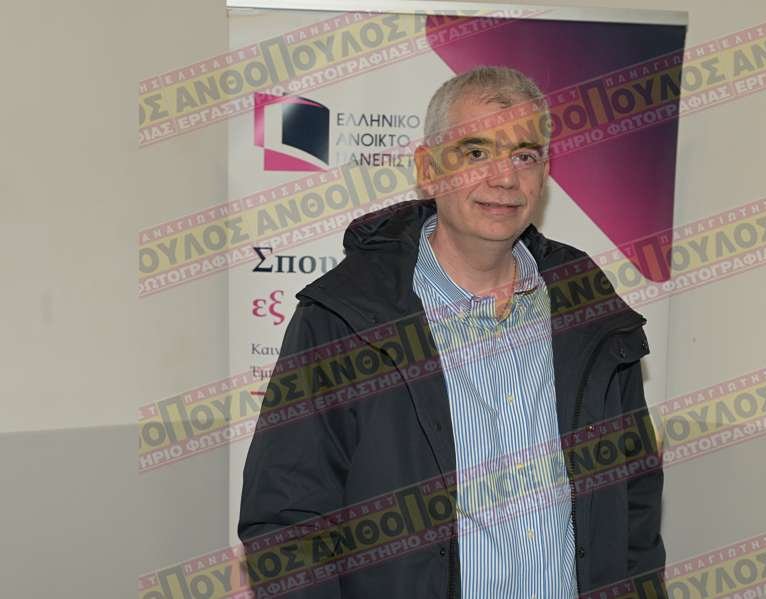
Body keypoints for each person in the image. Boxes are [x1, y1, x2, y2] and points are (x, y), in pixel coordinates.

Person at [238, 66, 666, 598]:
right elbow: (287, 523)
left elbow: (635, 506)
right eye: (476, 151)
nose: (504, 178)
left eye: (524, 155)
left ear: (544, 172)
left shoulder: (591, 309)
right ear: (428, 167)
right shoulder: (346, 318)